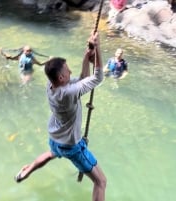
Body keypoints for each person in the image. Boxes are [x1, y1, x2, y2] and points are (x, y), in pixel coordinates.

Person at [14, 32, 107, 201]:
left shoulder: (51, 85)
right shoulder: (69, 92)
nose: (71, 71)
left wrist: (87, 57)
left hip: (55, 138)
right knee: (101, 182)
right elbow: (98, 77)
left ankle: (27, 170)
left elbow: (83, 80)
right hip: (72, 146)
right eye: (67, 70)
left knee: (51, 153)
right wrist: (98, 47)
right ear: (62, 77)